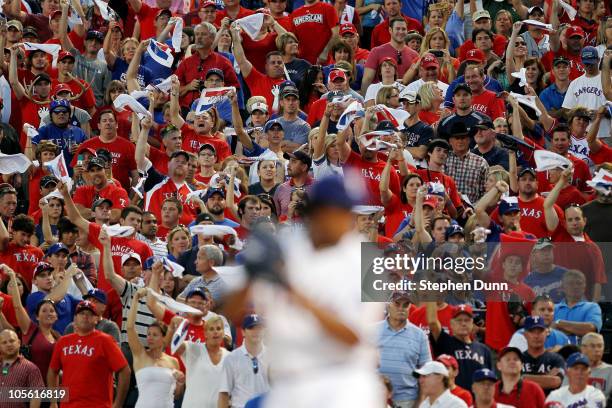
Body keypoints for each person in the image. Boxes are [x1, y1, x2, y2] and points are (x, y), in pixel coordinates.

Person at [48, 300, 131, 408]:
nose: (85, 316)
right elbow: (52, 371)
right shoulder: (63, 342)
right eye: (82, 313)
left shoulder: (105, 341)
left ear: (96, 319)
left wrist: (118, 404)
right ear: (75, 318)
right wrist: (53, 402)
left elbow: (125, 371)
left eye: (90, 314)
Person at [127, 288, 184, 407]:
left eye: (155, 335)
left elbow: (177, 395)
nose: (150, 338)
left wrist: (180, 383)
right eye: (148, 334)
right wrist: (136, 299)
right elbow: (130, 328)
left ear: (163, 338)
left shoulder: (173, 361)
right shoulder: (140, 355)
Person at [377, 291, 431, 407]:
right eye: (397, 304)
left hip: (408, 400)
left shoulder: (420, 335)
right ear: (388, 305)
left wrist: (420, 403)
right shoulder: (371, 331)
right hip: (376, 397)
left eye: (406, 305)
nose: (401, 308)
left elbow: (426, 372)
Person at [427, 302, 494, 391]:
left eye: (467, 320)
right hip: (451, 400)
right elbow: (432, 322)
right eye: (459, 320)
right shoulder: (445, 342)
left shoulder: (484, 350)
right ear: (451, 323)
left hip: (477, 401)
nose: (463, 323)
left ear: (472, 323)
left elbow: (490, 379)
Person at [173, 316, 230, 408]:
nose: (215, 332)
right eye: (211, 329)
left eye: (218, 329)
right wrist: (175, 327)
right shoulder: (193, 349)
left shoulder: (229, 357)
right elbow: (175, 346)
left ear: (223, 333)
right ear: (205, 333)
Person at [218, 314, 270, 408]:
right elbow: (224, 394)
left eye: (259, 328)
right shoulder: (231, 358)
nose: (256, 332)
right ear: (243, 332)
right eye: (251, 328)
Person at [361, 17, 419, 95]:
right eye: (397, 29)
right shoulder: (376, 51)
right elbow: (367, 80)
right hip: (380, 98)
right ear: (390, 30)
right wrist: (366, 100)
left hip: (405, 100)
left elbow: (417, 81)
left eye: (403, 29)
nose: (401, 32)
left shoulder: (414, 55)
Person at [553, 269, 603, 345]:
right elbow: (546, 331)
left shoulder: (592, 307)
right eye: (571, 283)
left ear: (584, 286)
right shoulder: (553, 308)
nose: (575, 286)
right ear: (562, 287)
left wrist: (558, 323)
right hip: (555, 353)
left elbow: (590, 329)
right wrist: (576, 329)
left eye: (579, 283)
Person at [445, 121, 489, 205]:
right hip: (447, 208)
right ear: (450, 141)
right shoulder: (443, 158)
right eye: (457, 138)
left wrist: (474, 208)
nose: (460, 141)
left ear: (469, 140)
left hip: (472, 211)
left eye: (463, 138)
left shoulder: (481, 162)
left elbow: (485, 192)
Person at [0, 329, 45, 407]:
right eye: (4, 342)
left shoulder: (30, 368)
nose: (9, 344)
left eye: (12, 341)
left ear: (19, 343)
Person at [521, 316, 566, 393]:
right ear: (525, 334)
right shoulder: (518, 358)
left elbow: (555, 382)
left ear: (546, 333)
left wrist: (523, 378)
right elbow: (513, 383)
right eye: (532, 331)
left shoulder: (557, 359)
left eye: (540, 331)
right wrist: (547, 377)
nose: (536, 336)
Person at [289, 0, 339, 64]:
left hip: (323, 62)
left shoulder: (328, 8)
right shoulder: (294, 14)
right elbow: (292, 38)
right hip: (302, 63)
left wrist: (325, 52)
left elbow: (336, 34)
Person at [577, 332, 612, 399]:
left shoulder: (610, 371)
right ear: (583, 348)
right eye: (593, 346)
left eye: (600, 346)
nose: (597, 350)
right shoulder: (571, 370)